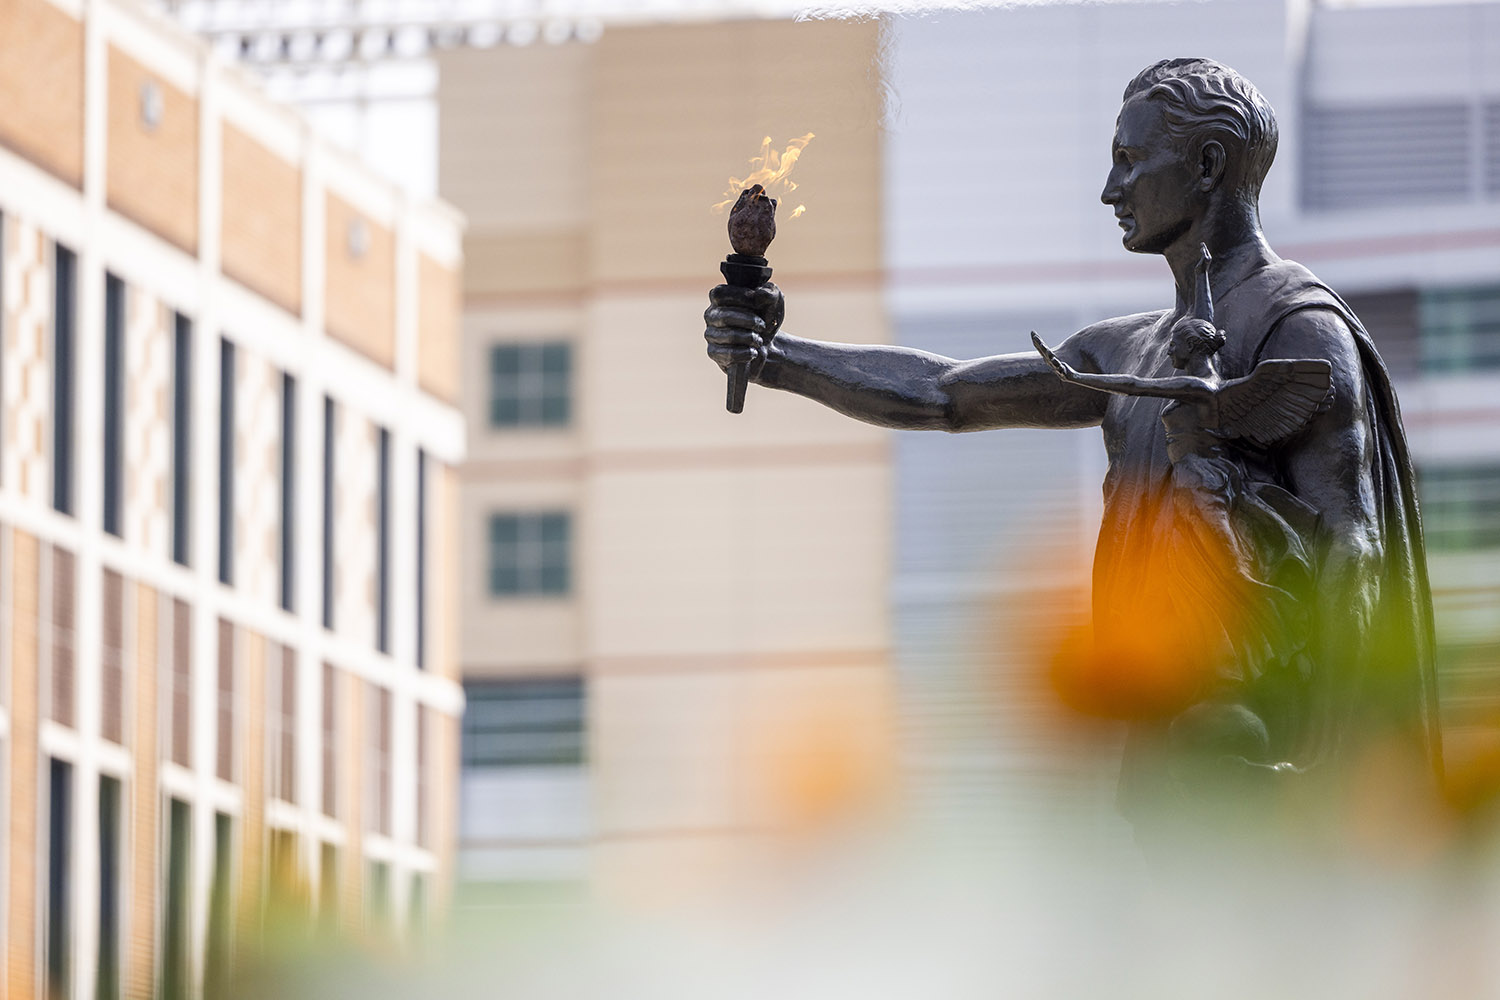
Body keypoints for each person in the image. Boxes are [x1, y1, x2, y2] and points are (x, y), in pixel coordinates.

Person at [703, 58, 1441, 824]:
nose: (1110, 190)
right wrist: (777, 361)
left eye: (1129, 161)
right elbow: (947, 393)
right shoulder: (1128, 351)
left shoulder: (1299, 328)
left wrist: (1325, 768)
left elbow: (1356, 555)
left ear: (1208, 165)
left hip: (1262, 761)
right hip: (1159, 764)